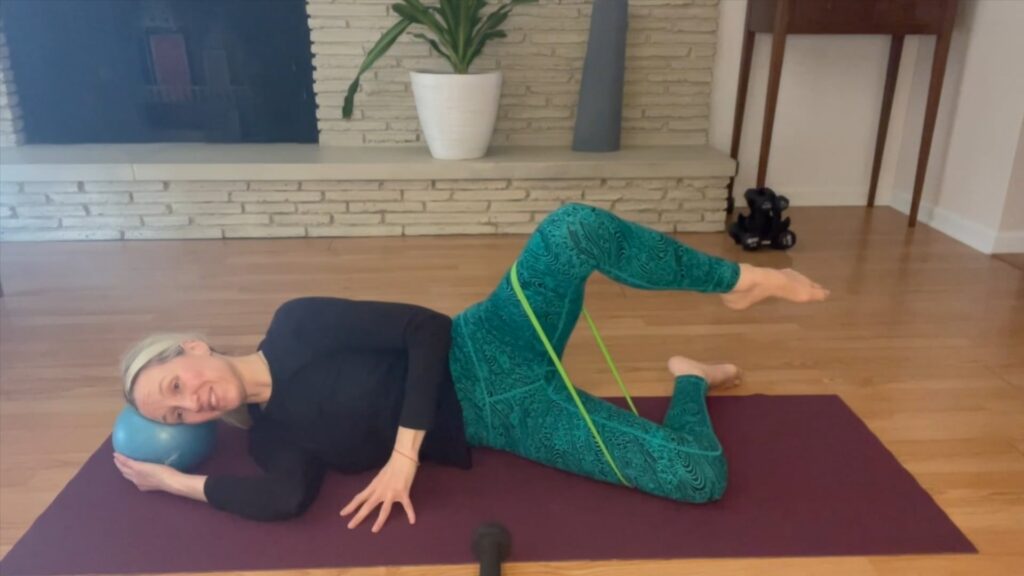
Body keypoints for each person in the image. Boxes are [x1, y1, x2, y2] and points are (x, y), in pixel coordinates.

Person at [115, 203, 828, 532]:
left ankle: (737, 282)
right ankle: (691, 377)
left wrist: (402, 456)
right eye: (176, 413)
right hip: (505, 418)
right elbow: (284, 500)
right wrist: (171, 481)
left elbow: (423, 328)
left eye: (176, 384)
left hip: (491, 340)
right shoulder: (276, 440)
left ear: (194, 347)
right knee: (698, 479)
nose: (193, 402)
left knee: (571, 229)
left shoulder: (297, 323)